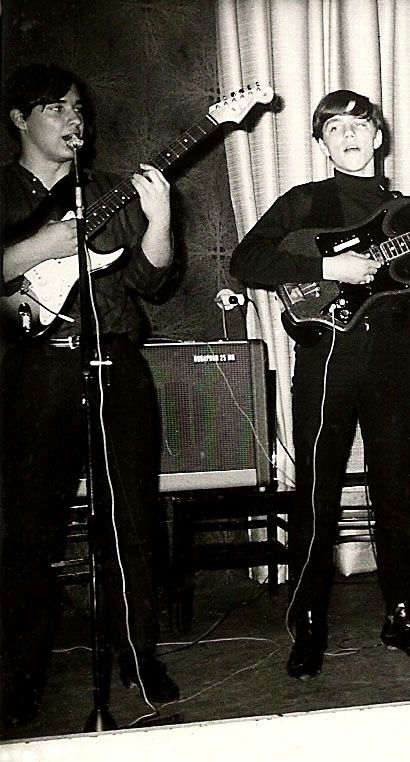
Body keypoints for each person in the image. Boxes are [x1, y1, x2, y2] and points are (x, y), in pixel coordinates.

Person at [230, 89, 410, 680]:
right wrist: (328, 267)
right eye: (334, 128)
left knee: (395, 494)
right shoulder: (305, 202)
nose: (348, 135)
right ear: (322, 145)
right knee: (317, 494)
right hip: (326, 361)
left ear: (378, 136)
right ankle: (308, 623)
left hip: (393, 365)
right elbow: (245, 262)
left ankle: (401, 618)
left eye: (358, 124)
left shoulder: (409, 216)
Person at [1, 64, 180, 728]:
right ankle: (20, 674)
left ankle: (138, 654)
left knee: (131, 519)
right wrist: (41, 246)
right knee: (27, 529)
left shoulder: (107, 192)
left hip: (115, 362)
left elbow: (153, 283)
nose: (73, 118)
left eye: (77, 107)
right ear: (19, 119)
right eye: (55, 108)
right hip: (34, 369)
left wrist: (159, 220)